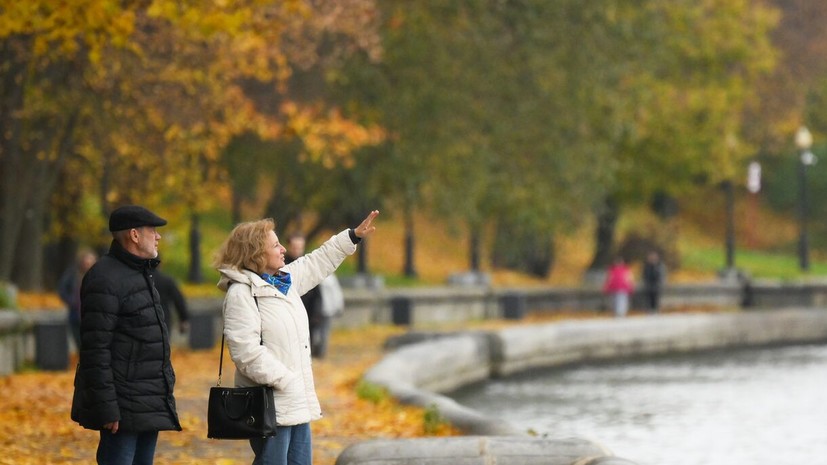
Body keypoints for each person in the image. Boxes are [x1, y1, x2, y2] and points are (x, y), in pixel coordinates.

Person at [213, 210, 379, 465]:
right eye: (275, 245)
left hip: (297, 404)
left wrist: (353, 236)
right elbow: (245, 352)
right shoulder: (241, 294)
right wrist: (286, 380)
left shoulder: (283, 282)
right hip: (271, 404)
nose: (283, 249)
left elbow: (317, 261)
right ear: (256, 253)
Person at [71, 205, 181, 465]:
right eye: (152, 230)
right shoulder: (104, 278)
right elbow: (95, 351)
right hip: (121, 408)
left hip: (147, 401)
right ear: (134, 235)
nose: (158, 236)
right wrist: (107, 408)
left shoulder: (141, 274)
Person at [284, 234, 323, 357]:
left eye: (300, 247)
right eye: (295, 247)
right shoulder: (282, 264)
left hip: (308, 311)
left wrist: (317, 312)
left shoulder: (306, 264)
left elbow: (317, 292)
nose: (297, 250)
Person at [57, 248, 98, 351]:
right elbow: (62, 289)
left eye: (91, 262)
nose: (88, 265)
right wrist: (72, 301)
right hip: (76, 315)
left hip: (94, 316)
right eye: (86, 262)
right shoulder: (72, 274)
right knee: (79, 343)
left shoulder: (99, 276)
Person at [153, 263, 190, 335]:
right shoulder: (167, 281)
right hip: (163, 319)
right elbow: (179, 301)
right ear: (160, 264)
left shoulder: (140, 280)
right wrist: (184, 319)